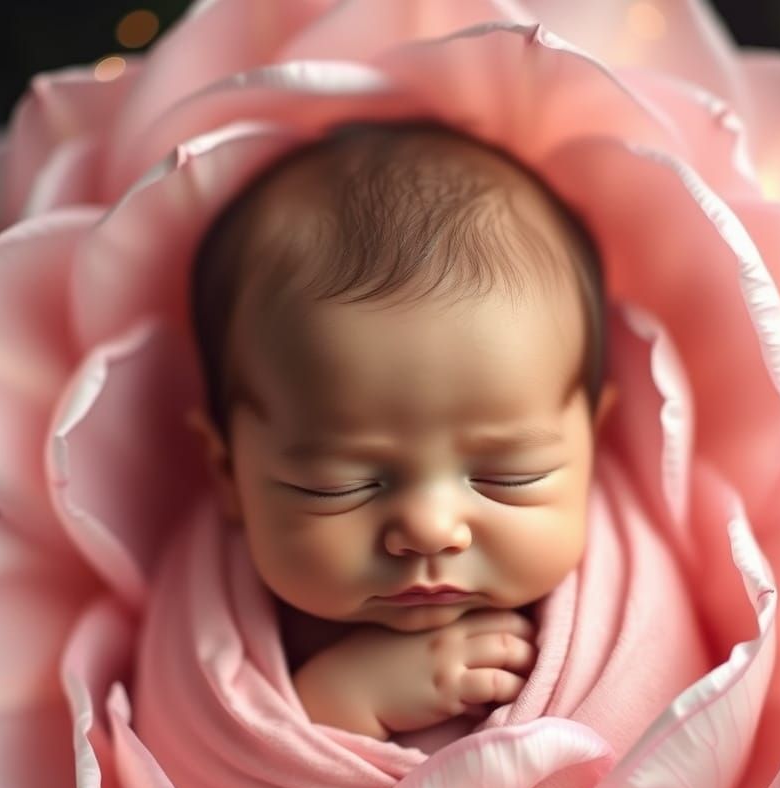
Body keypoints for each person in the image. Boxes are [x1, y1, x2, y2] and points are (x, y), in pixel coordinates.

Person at [189, 121, 615, 741]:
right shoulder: (212, 625)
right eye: (337, 486)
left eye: (508, 477)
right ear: (227, 471)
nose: (429, 529)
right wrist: (332, 706)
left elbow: (679, 739)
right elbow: (188, 787)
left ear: (594, 443)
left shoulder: (629, 596)